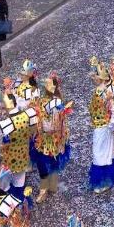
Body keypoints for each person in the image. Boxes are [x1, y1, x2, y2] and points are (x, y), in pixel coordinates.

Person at [32, 73, 73, 203]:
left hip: (54, 138)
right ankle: (43, 189)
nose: (47, 86)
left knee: (53, 161)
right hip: (42, 138)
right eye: (46, 83)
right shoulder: (42, 100)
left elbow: (59, 123)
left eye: (50, 83)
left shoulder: (58, 103)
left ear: (55, 86)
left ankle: (52, 183)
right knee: (42, 164)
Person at [87, 56, 114, 194]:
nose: (93, 78)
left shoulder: (105, 93)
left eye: (96, 76)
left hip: (103, 127)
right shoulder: (100, 91)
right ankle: (107, 178)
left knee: (100, 153)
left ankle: (105, 180)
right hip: (101, 126)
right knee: (106, 151)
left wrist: (111, 125)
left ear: (101, 78)